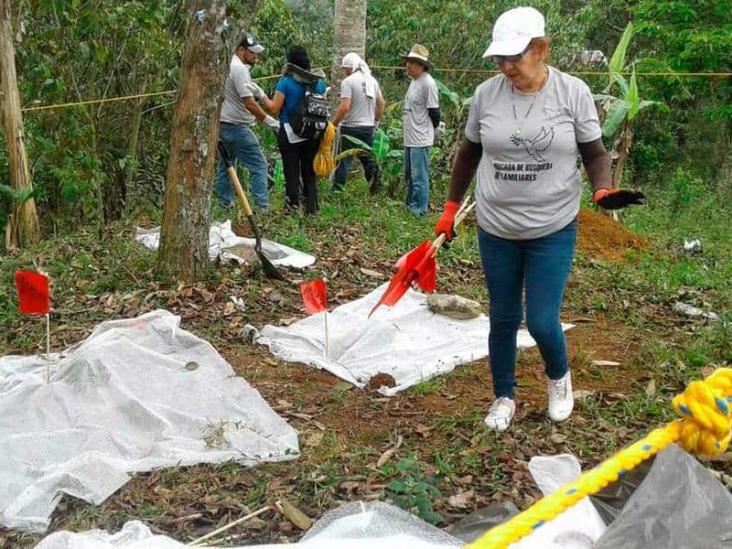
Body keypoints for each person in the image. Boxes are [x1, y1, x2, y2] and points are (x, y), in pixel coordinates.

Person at [433, 7, 645, 432]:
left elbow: (595, 153)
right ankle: (504, 396)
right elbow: (469, 153)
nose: (507, 66)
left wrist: (602, 190)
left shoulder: (573, 93)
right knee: (503, 317)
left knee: (543, 319)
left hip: (552, 226)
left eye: (516, 56)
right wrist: (451, 208)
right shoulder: (486, 95)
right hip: (496, 227)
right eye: (500, 58)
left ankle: (558, 378)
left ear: (542, 49)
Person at [215, 33, 280, 211]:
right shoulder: (239, 69)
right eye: (252, 53)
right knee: (259, 165)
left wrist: (259, 93)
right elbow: (249, 103)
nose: (255, 57)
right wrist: (270, 121)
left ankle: (224, 205)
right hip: (236, 126)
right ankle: (262, 208)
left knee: (227, 166)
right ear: (241, 49)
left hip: (222, 124)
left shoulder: (227, 65)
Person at [269, 46, 326, 214]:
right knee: (309, 171)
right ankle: (311, 208)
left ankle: (292, 207)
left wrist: (260, 97)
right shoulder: (319, 82)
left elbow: (274, 108)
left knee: (291, 170)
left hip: (290, 133)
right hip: (312, 133)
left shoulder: (285, 82)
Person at [332, 53, 385, 194]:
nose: (345, 72)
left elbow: (344, 107)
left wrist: (333, 124)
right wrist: (375, 122)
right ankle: (376, 190)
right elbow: (381, 104)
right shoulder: (372, 81)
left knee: (342, 162)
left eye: (346, 69)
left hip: (350, 128)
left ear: (351, 68)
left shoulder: (348, 82)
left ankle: (337, 191)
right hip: (368, 129)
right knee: (369, 162)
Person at [401, 44, 444, 216]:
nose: (407, 66)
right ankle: (411, 204)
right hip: (410, 135)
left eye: (411, 63)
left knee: (419, 176)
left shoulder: (428, 83)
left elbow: (434, 110)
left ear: (420, 65)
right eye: (408, 62)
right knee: (410, 174)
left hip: (420, 136)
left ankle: (420, 209)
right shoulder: (414, 82)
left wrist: (436, 128)